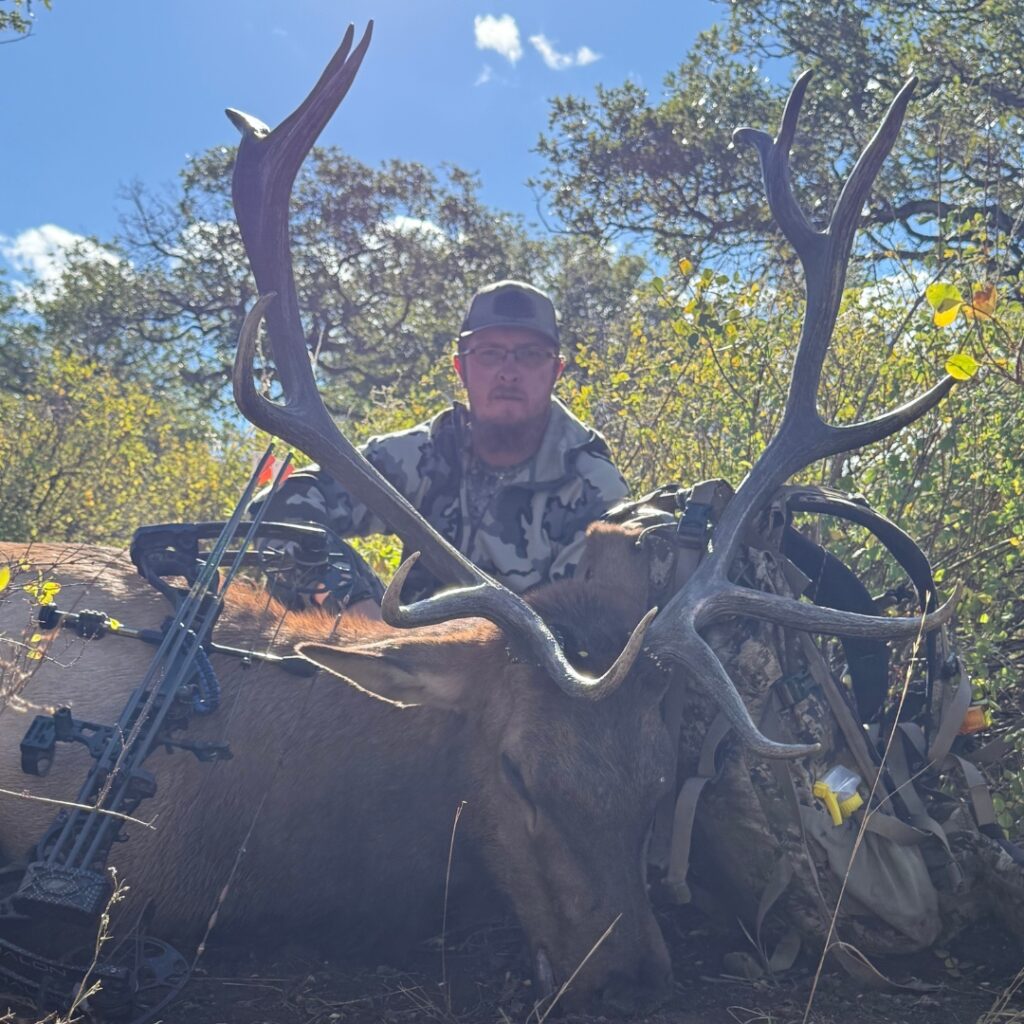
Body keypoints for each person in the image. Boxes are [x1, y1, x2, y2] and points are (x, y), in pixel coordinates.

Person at [250, 280, 630, 612]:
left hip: (525, 680)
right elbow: (276, 508)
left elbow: (588, 629)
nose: (509, 371)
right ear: (460, 368)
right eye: (490, 353)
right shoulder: (424, 454)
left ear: (556, 371)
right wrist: (350, 600)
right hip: (410, 663)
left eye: (531, 355)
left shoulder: (594, 485)